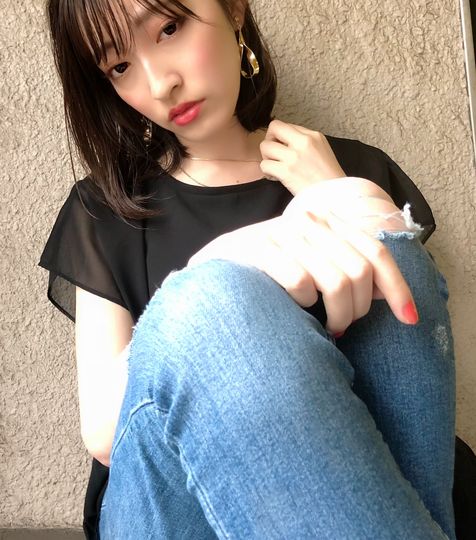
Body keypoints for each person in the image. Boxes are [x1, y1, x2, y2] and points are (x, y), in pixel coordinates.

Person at [38, 0, 457, 538]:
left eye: (169, 28)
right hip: (170, 507)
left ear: (234, 9)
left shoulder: (353, 166)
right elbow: (103, 434)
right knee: (209, 301)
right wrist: (213, 272)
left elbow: (413, 373)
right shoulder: (105, 211)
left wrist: (336, 194)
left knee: (387, 245)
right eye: (119, 66)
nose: (160, 84)